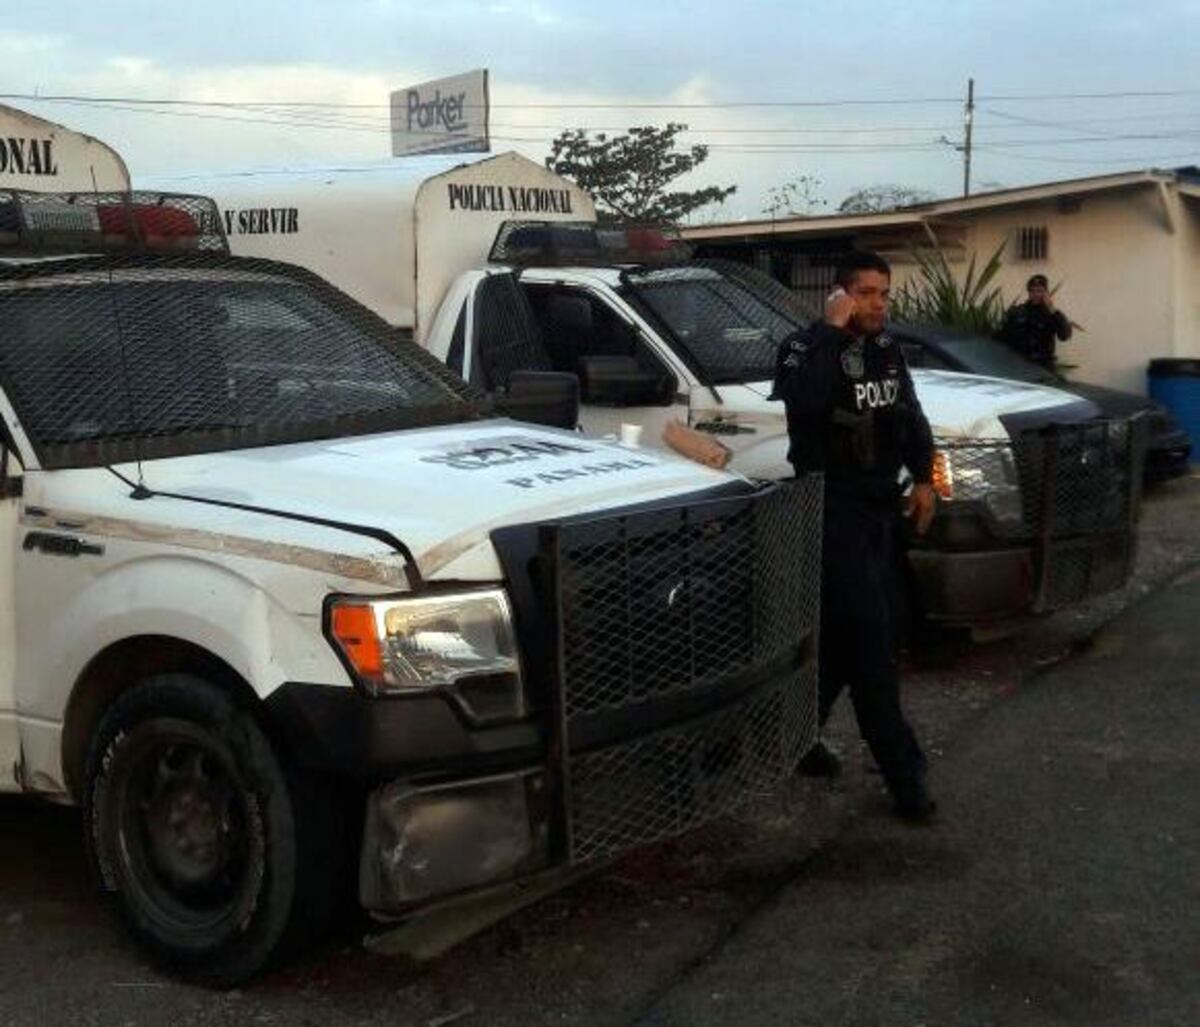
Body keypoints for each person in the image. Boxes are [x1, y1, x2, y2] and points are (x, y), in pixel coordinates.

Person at [773, 250, 938, 823]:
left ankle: (791, 740)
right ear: (839, 295)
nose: (878, 304)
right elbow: (807, 402)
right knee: (871, 640)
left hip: (879, 511)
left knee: (850, 638)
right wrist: (829, 333)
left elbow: (910, 414)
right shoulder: (802, 346)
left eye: (884, 293)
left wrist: (923, 476)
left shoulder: (887, 351)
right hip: (831, 510)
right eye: (866, 292)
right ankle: (905, 774)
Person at [1000, 273, 1073, 370]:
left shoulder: (1052, 314)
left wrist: (1052, 309)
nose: (1036, 294)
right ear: (1028, 292)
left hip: (1043, 368)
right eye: (1032, 290)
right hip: (1020, 367)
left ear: (1046, 292)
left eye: (1040, 291)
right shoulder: (1016, 312)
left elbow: (1065, 335)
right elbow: (1004, 339)